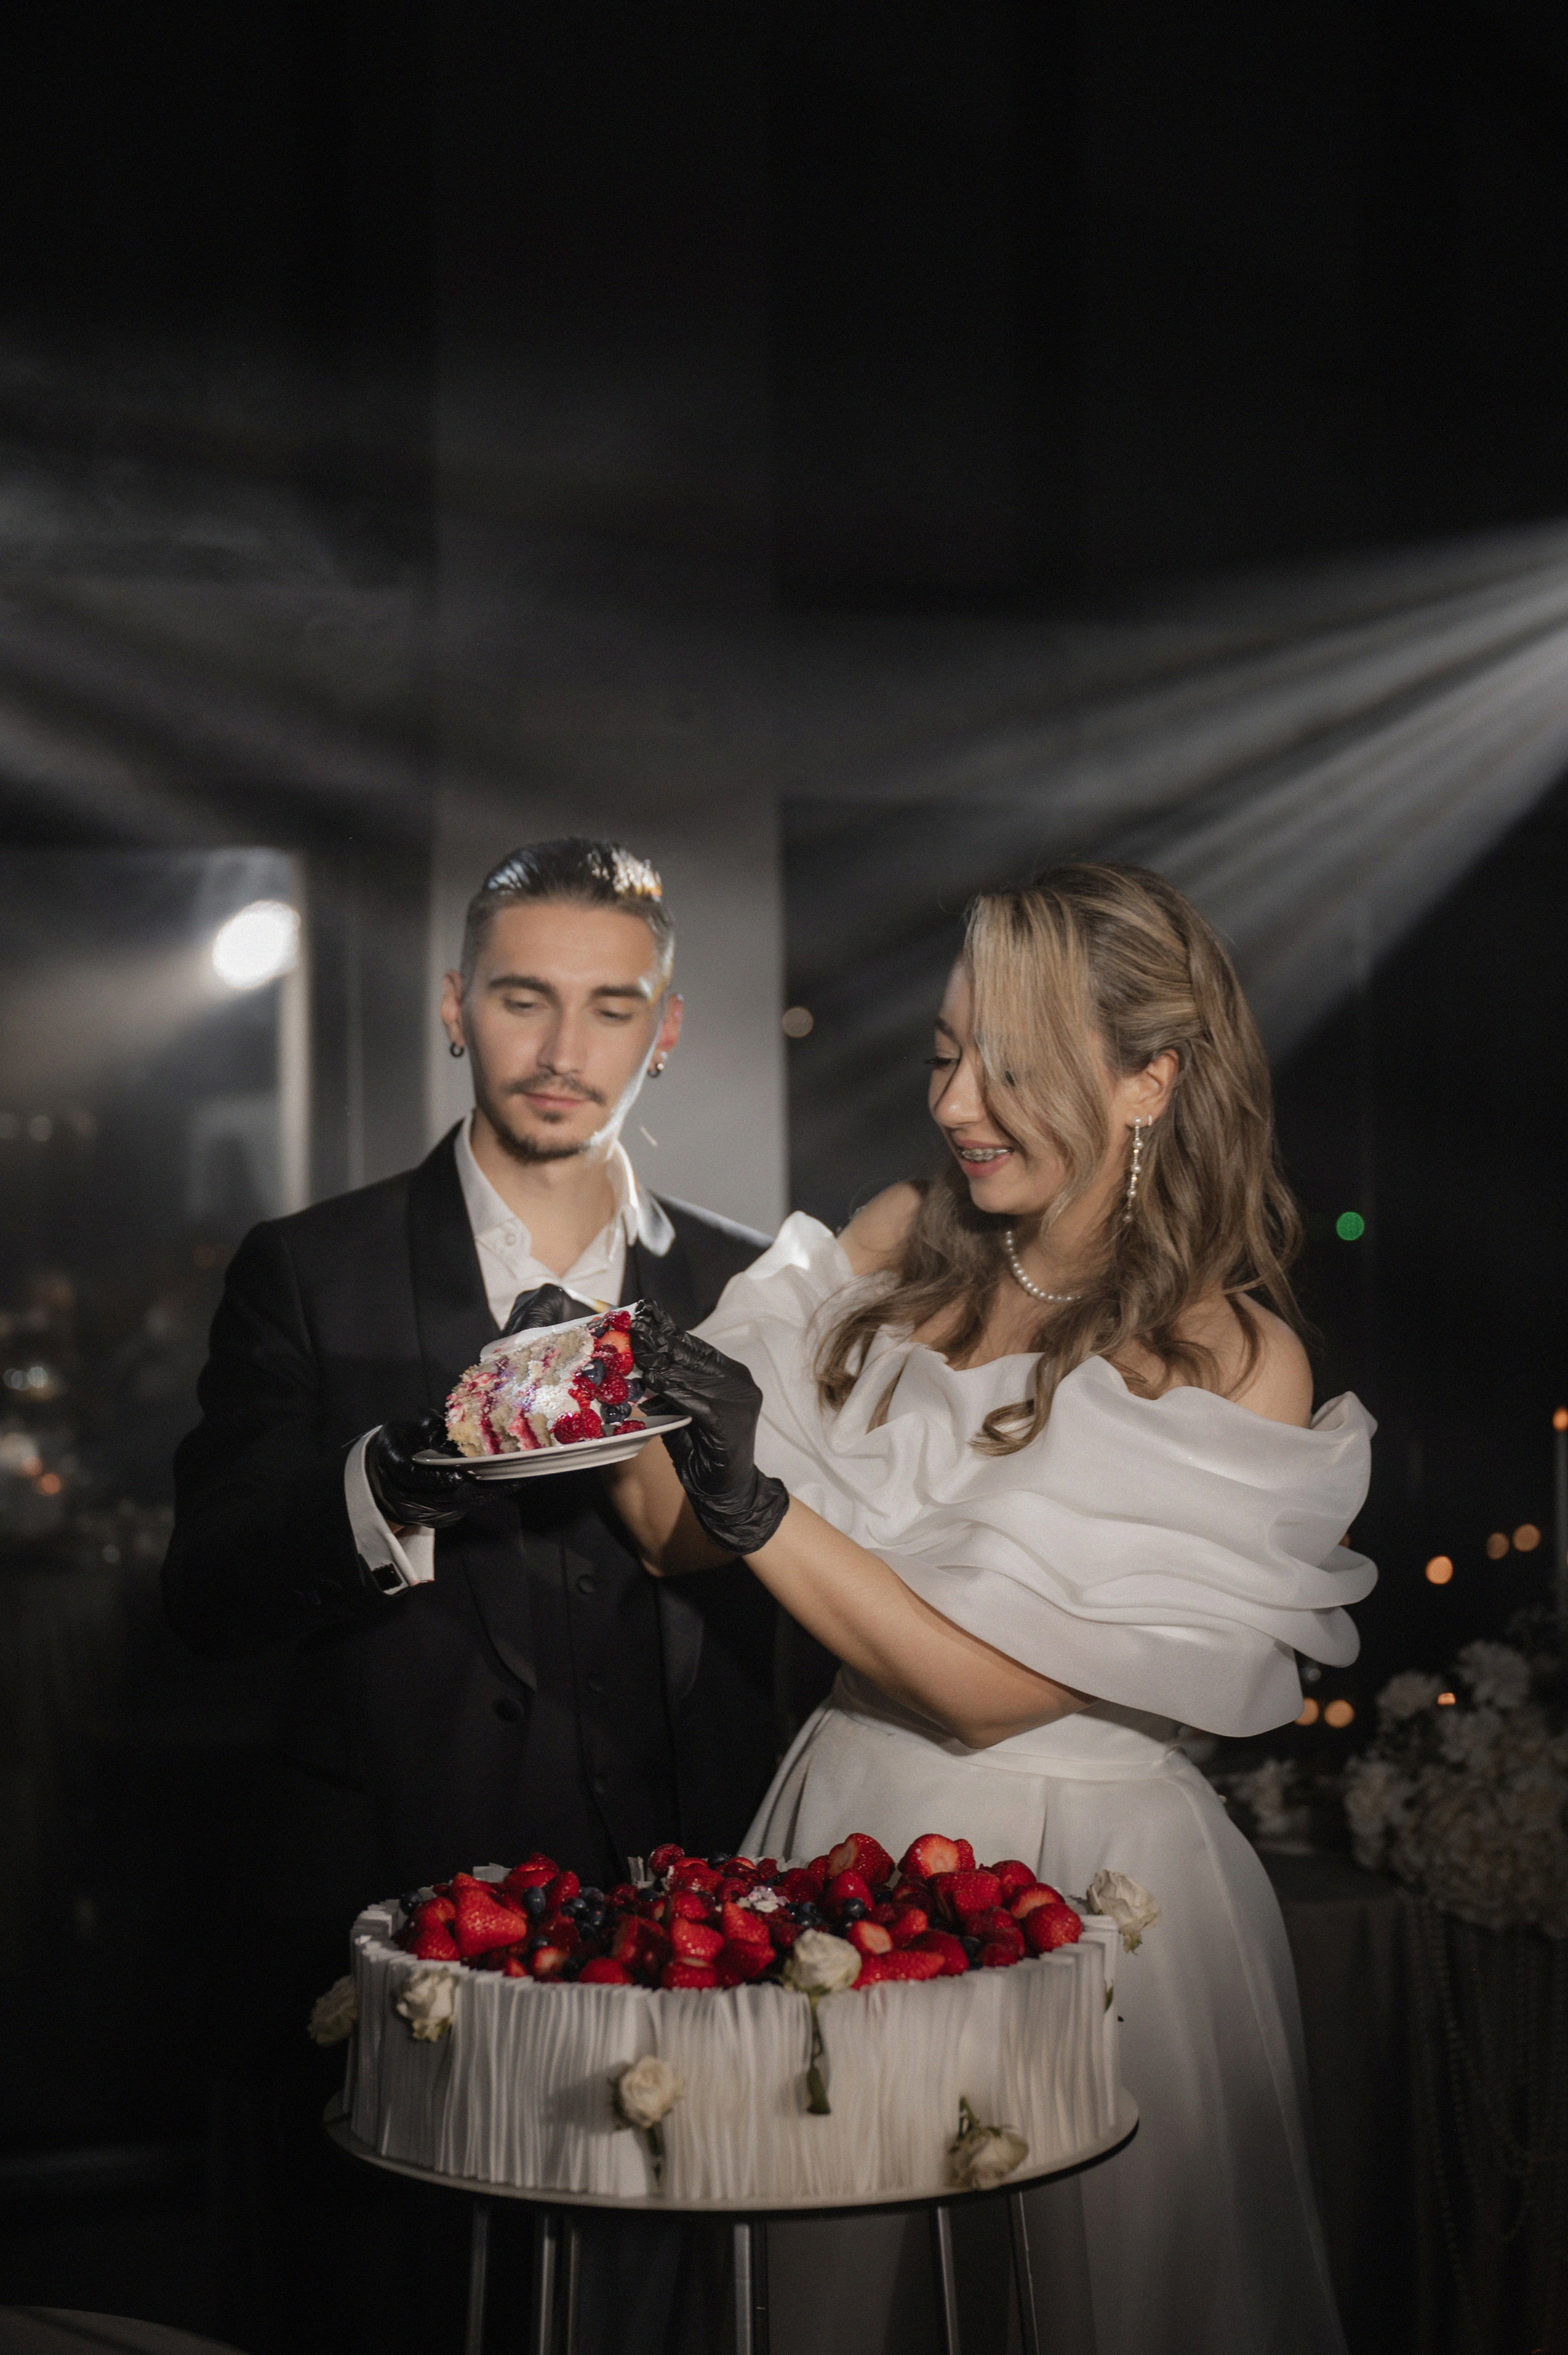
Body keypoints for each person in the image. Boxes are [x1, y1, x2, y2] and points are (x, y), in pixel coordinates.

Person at [615, 863, 1374, 2355]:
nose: (957, 1102)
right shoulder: (904, 1242)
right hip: (841, 1833)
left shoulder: (1228, 1357)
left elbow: (985, 1691)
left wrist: (760, 1501)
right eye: (945, 1053)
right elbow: (657, 1527)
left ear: (1153, 1078)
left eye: (1012, 1067)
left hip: (1086, 1891)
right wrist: (620, 1378)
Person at [164, 836, 778, 2354]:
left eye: (611, 1008)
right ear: (455, 1006)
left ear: (665, 1029)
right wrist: (392, 1476)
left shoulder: (751, 1286)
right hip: (389, 1904)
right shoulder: (310, 1268)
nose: (565, 1049)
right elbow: (208, 1591)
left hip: (688, 1931)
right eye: (522, 998)